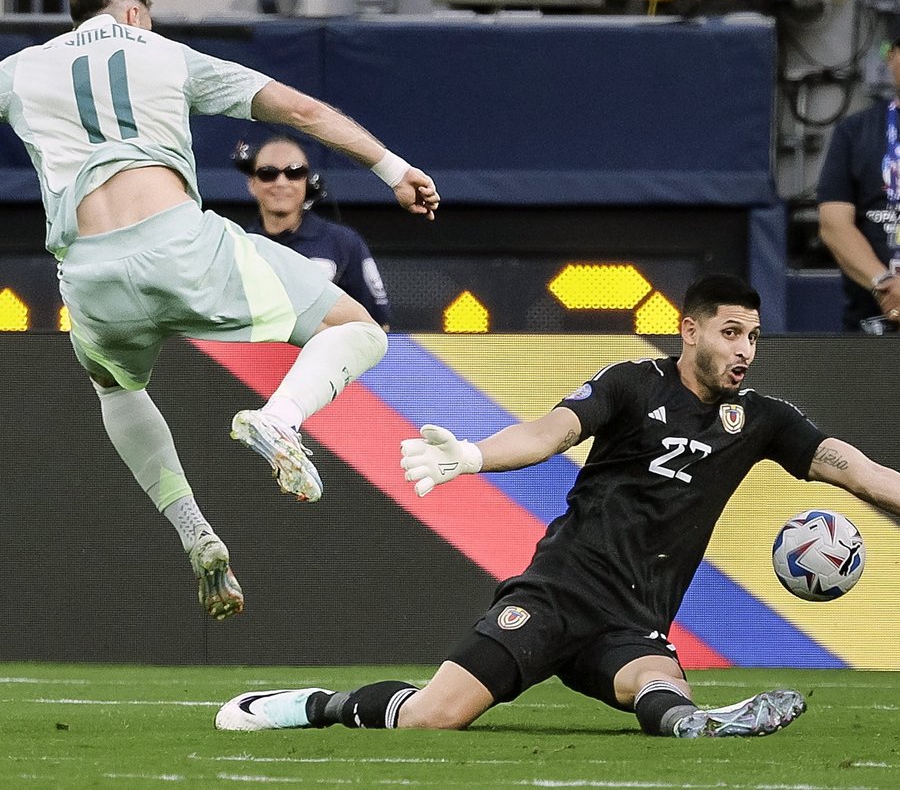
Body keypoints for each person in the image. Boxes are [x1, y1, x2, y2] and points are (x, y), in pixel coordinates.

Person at [216, 273, 900, 738]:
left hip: (633, 620)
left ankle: (699, 723)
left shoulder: (763, 420)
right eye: (729, 333)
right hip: (559, 594)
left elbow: (865, 476)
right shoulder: (632, 383)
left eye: (752, 335)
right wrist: (473, 455)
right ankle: (310, 705)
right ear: (689, 331)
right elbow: (550, 432)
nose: (744, 349)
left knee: (659, 687)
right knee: (434, 717)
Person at [0, 0, 438, 622]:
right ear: (134, 15)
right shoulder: (163, 53)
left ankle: (193, 531)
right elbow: (302, 112)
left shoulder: (18, 70)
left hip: (88, 274)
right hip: (182, 247)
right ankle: (281, 420)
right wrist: (394, 170)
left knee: (116, 391)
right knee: (356, 328)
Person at [237, 135, 392, 329]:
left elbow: (378, 325)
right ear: (252, 184)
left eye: (294, 173)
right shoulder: (238, 246)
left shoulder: (344, 243)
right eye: (268, 173)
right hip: (250, 358)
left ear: (306, 182)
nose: (281, 182)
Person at [818, 34, 900, 332]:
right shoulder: (855, 132)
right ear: (891, 57)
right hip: (873, 323)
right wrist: (884, 285)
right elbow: (833, 224)